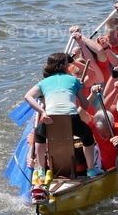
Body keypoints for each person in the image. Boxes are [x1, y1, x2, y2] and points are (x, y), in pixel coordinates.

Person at [24, 52, 103, 181]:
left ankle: (41, 170)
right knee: (88, 135)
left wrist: (42, 112)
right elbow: (84, 105)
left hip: (50, 118)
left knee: (39, 135)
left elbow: (28, 96)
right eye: (68, 64)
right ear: (63, 66)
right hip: (71, 118)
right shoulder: (73, 80)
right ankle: (91, 170)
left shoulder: (44, 82)